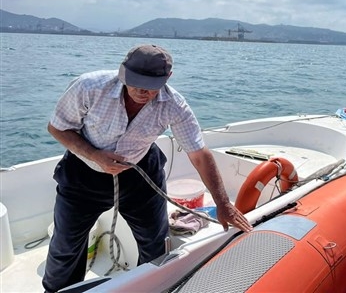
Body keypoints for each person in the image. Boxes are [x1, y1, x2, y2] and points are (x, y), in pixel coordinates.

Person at [42, 44, 253, 293]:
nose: (142, 92)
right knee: (66, 245)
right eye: (135, 83)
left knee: (155, 242)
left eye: (151, 86)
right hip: (84, 174)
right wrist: (95, 155)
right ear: (122, 72)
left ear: (167, 79)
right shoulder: (88, 87)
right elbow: (57, 128)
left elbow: (199, 153)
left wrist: (223, 203)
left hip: (140, 175)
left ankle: (150, 287)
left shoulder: (175, 104)